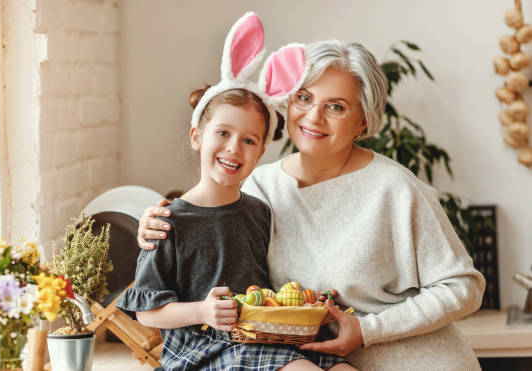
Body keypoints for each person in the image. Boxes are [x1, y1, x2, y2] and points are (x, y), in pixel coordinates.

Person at [137, 39, 486, 370]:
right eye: (303, 98)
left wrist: (368, 331)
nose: (313, 117)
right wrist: (156, 220)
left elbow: (463, 287)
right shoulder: (261, 186)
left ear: (363, 122)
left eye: (335, 106)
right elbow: (208, 223)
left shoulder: (394, 188)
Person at [117, 13, 354, 371]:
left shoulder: (260, 211)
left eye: (248, 141)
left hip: (263, 340)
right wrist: (203, 311)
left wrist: (307, 307)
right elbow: (146, 312)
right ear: (197, 135)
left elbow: (269, 289)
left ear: (260, 153)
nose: (233, 149)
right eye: (223, 134)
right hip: (204, 350)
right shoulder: (168, 220)